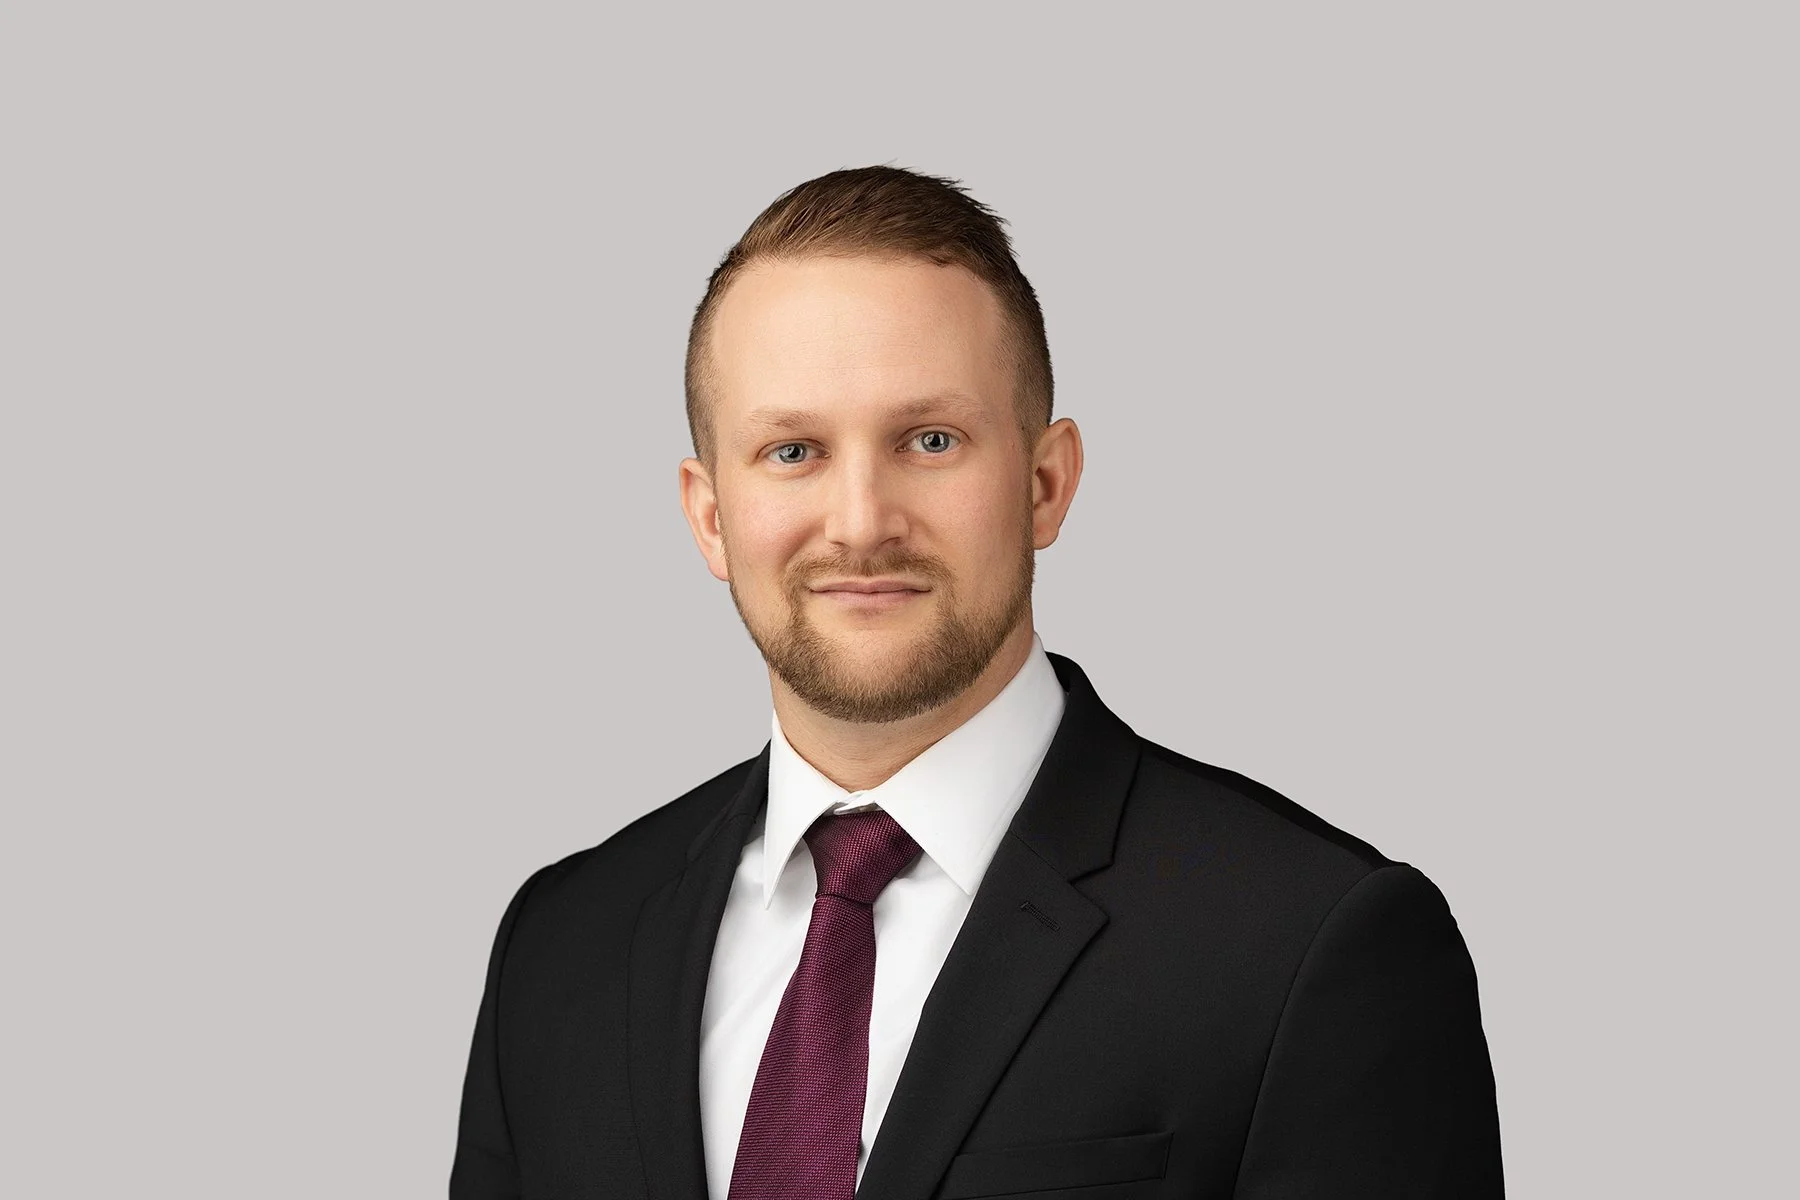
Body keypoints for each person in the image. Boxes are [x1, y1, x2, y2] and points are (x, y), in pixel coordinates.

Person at [449, 165, 1503, 1200]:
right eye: (793, 451)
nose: (861, 522)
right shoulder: (563, 947)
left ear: (1046, 484)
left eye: (931, 440)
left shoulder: (1306, 945)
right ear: (710, 516)